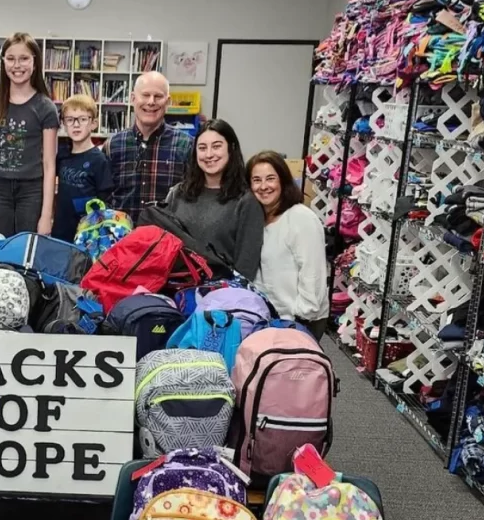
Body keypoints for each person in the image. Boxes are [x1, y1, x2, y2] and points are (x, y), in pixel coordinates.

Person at [0, 32, 59, 236]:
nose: (17, 65)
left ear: (35, 62)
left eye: (24, 58)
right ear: (3, 62)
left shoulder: (45, 107)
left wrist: (46, 215)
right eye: (11, 58)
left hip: (31, 190)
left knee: (26, 247)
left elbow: (49, 164)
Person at [163, 119, 263, 279]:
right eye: (202, 148)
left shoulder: (245, 201)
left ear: (231, 148)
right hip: (175, 288)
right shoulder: (178, 194)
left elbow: (246, 267)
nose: (209, 154)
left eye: (216, 146)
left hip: (223, 291)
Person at [248, 150, 330, 340]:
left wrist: (301, 316)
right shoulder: (257, 220)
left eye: (270, 179)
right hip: (272, 319)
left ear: (283, 181)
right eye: (256, 180)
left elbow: (312, 272)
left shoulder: (300, 218)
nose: (263, 186)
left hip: (300, 320)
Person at [105, 71, 192, 223]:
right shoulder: (112, 146)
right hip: (123, 235)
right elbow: (104, 197)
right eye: (145, 95)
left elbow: (193, 198)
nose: (151, 102)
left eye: (158, 96)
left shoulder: (186, 145)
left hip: (167, 235)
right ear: (133, 98)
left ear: (168, 101)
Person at [53, 94, 113, 242]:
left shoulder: (99, 160)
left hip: (87, 234)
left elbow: (105, 200)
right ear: (63, 124)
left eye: (83, 119)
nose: (76, 124)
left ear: (94, 123)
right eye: (70, 119)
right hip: (60, 230)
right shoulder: (62, 155)